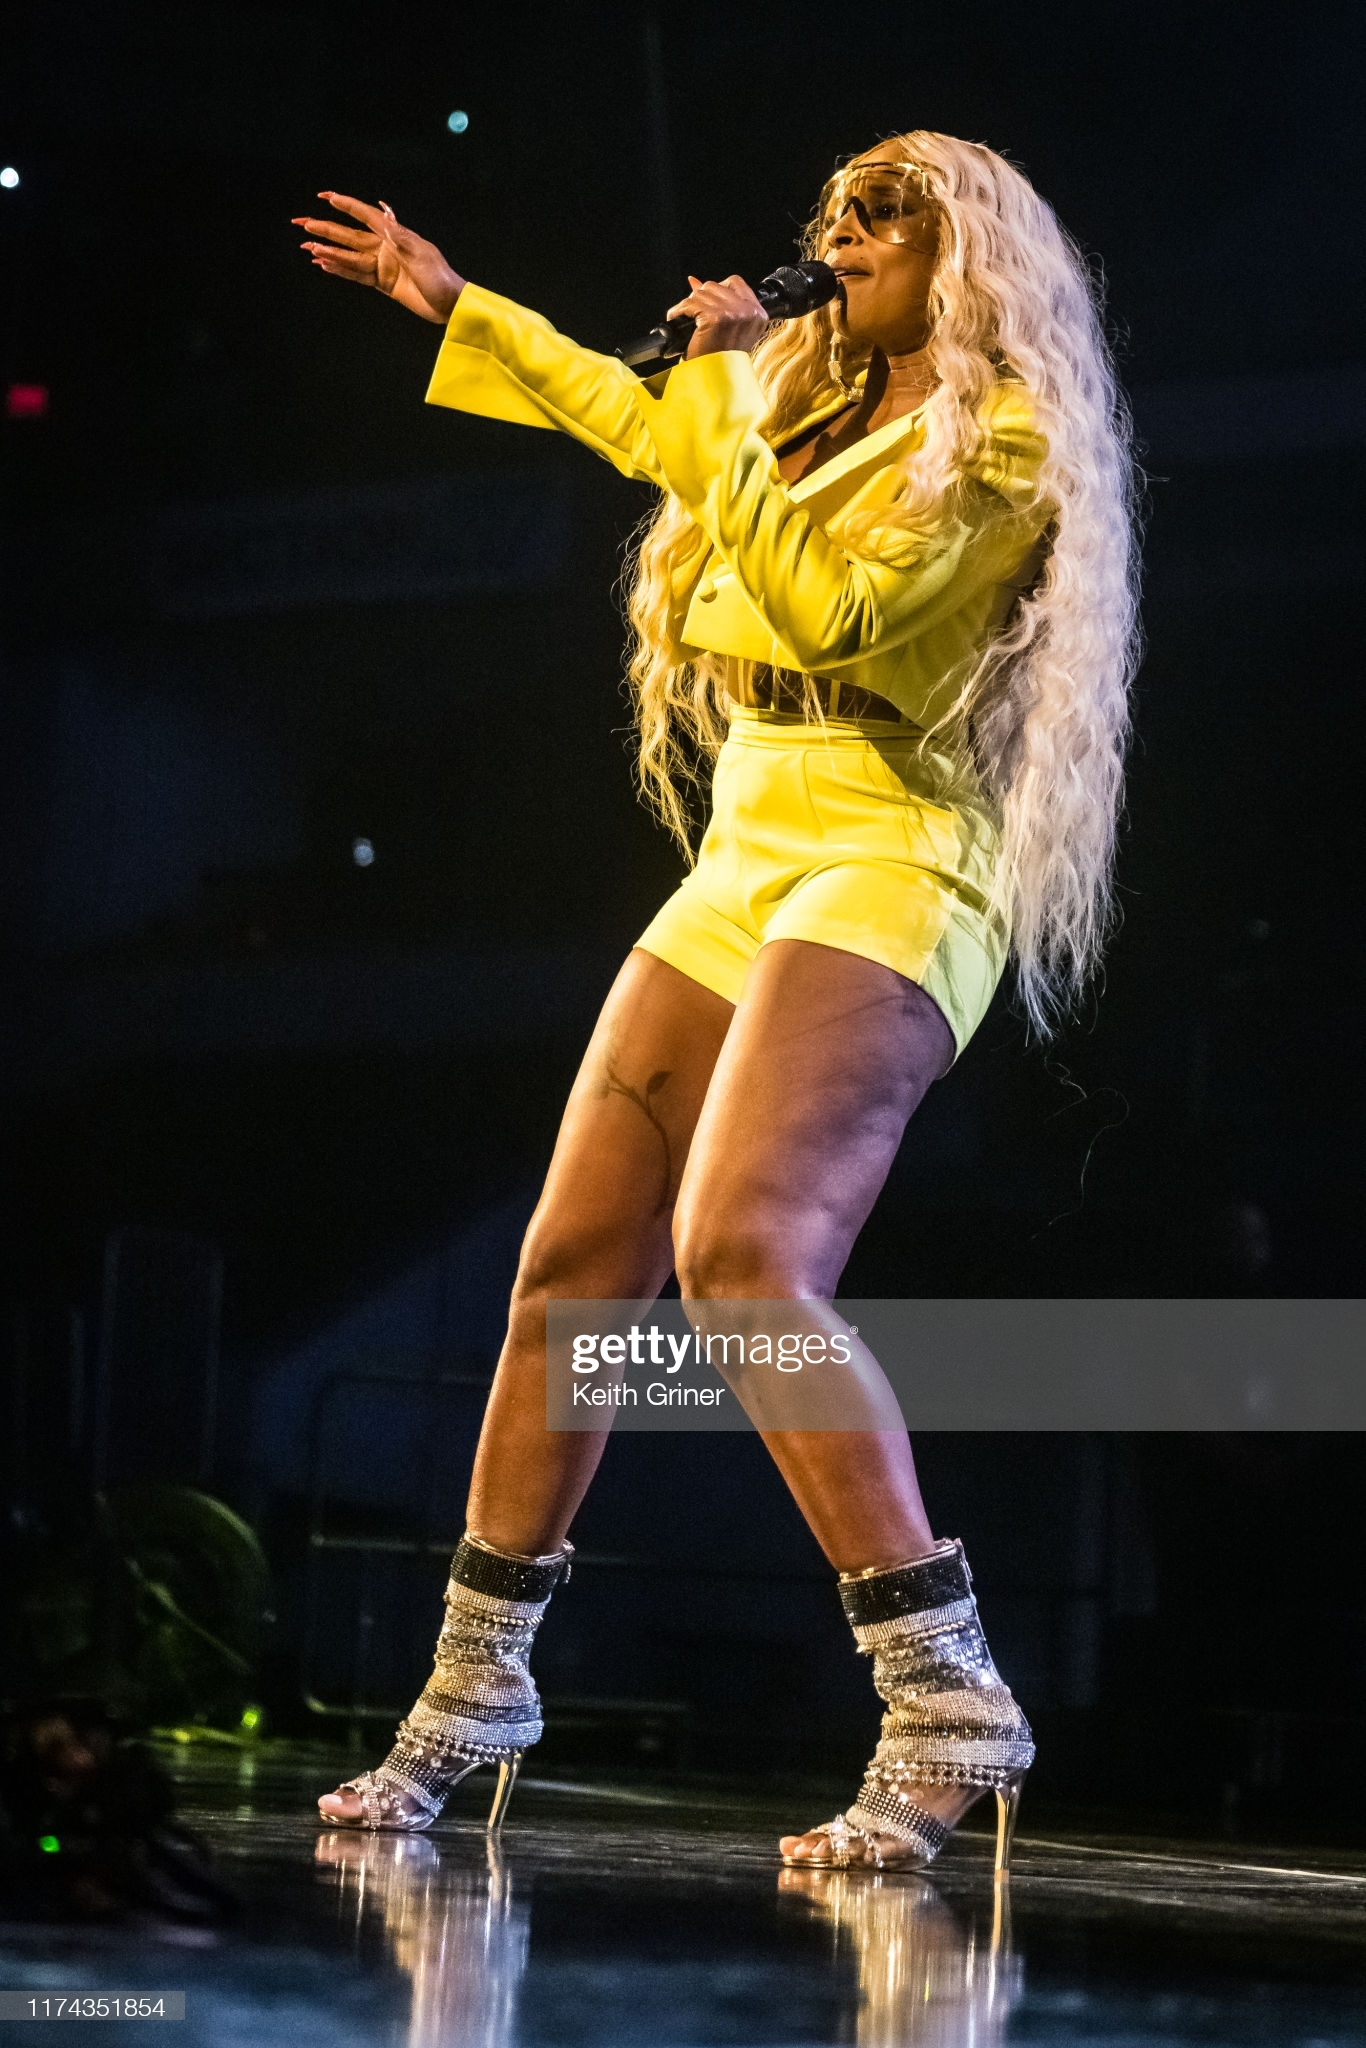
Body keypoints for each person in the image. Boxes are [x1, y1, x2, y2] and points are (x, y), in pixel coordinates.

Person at [293, 130, 1138, 1872]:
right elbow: (635, 418)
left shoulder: (1001, 438)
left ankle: (946, 1693)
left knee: (745, 1257)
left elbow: (834, 611)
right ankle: (473, 1687)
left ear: (964, 261)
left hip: (892, 849)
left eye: (884, 221)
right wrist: (458, 304)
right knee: (568, 1273)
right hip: (750, 839)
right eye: (836, 215)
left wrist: (730, 391)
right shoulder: (800, 406)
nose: (843, 240)